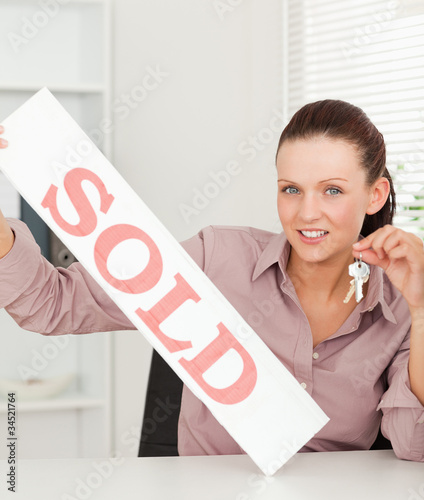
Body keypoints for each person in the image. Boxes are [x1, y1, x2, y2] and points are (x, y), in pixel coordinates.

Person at [0, 100, 423, 461]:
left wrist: (422, 309)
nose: (307, 212)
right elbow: (50, 304)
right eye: (291, 190)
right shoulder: (219, 260)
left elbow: (413, 443)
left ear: (375, 194)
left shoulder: (400, 303)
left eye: (332, 191)